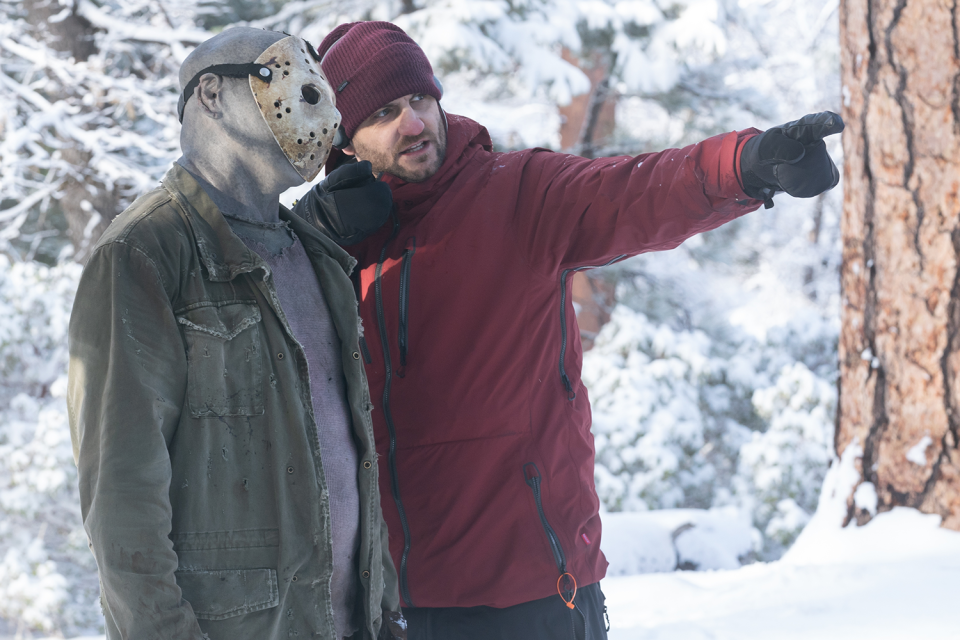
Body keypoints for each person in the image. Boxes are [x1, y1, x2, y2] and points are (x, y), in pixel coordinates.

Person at [294, 20, 843, 640]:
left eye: (421, 100)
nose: (414, 123)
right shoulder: (322, 246)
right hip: (387, 603)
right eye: (385, 112)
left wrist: (749, 164)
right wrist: (304, 234)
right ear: (344, 141)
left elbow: (634, 191)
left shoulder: (519, 194)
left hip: (531, 595)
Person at [67, 27, 404, 640]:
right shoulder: (143, 256)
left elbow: (348, 456)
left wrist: (385, 612)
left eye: (320, 91)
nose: (318, 111)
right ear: (212, 97)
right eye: (286, 84)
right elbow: (122, 501)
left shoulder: (318, 257)